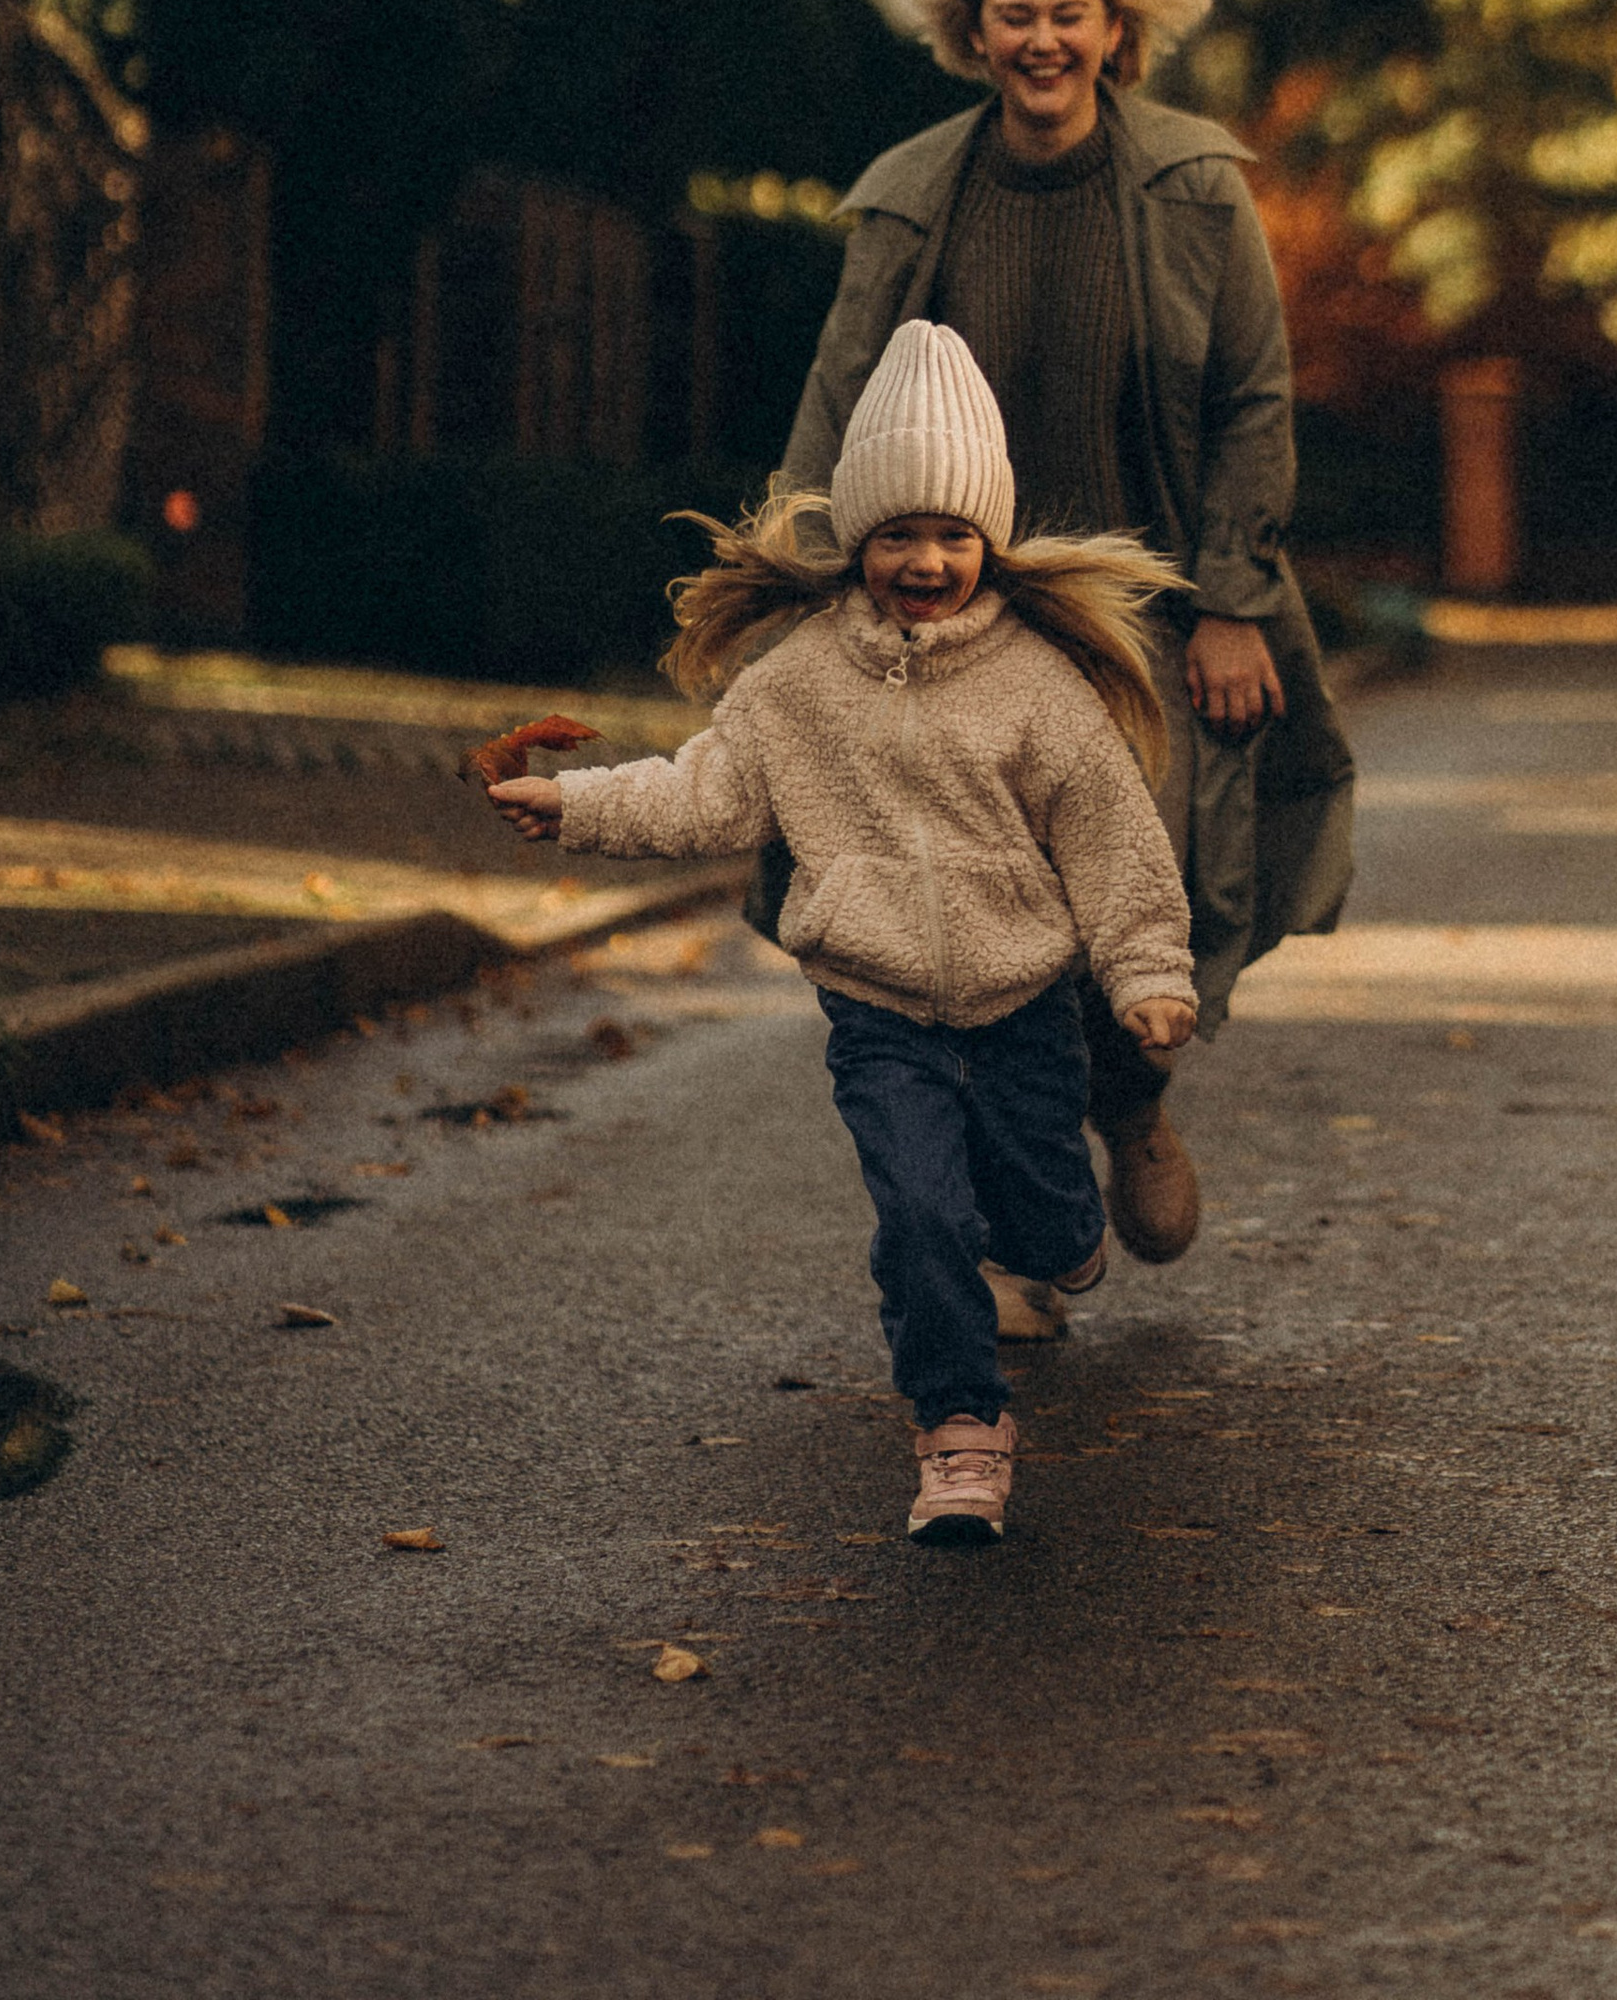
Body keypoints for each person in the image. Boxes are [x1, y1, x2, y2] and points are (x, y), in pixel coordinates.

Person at [489, 320, 1195, 1547]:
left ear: (989, 542)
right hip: (878, 1011)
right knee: (920, 1215)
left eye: (952, 535)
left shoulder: (1039, 684)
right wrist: (578, 805)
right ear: (858, 540)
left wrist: (1145, 971)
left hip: (1024, 1002)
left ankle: (1063, 1236)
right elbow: (706, 793)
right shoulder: (797, 680)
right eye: (897, 534)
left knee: (1043, 1219)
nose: (925, 560)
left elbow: (1111, 836)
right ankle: (959, 1430)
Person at [779, 0, 1353, 1280]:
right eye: (1015, 15)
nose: (1042, 40)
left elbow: (1253, 399)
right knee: (960, 915)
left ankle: (1133, 1106)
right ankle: (1009, 1242)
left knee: (1137, 895)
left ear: (1115, 30)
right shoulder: (911, 192)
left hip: (1146, 613)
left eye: (1068, 15)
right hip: (951, 608)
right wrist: (800, 588)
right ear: (974, 33)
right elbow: (839, 399)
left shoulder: (1195, 186)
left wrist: (1231, 602)